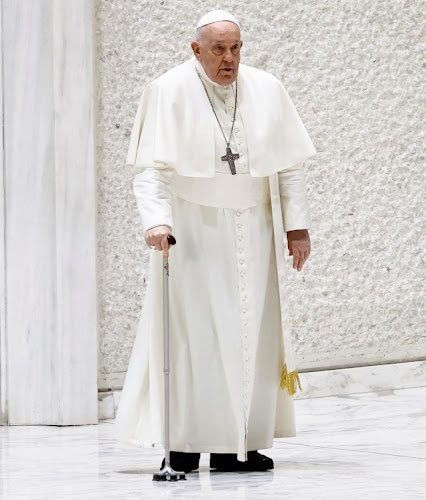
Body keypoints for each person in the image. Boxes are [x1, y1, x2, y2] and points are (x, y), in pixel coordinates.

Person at [114, 9, 316, 473]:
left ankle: (236, 445)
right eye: (219, 49)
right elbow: (151, 170)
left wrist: (296, 226)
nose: (230, 59)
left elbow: (289, 164)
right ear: (196, 49)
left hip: (256, 229)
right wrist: (156, 223)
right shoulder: (168, 91)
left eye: (237, 48)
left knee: (252, 335)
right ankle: (184, 442)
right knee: (194, 336)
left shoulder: (267, 88)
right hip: (193, 229)